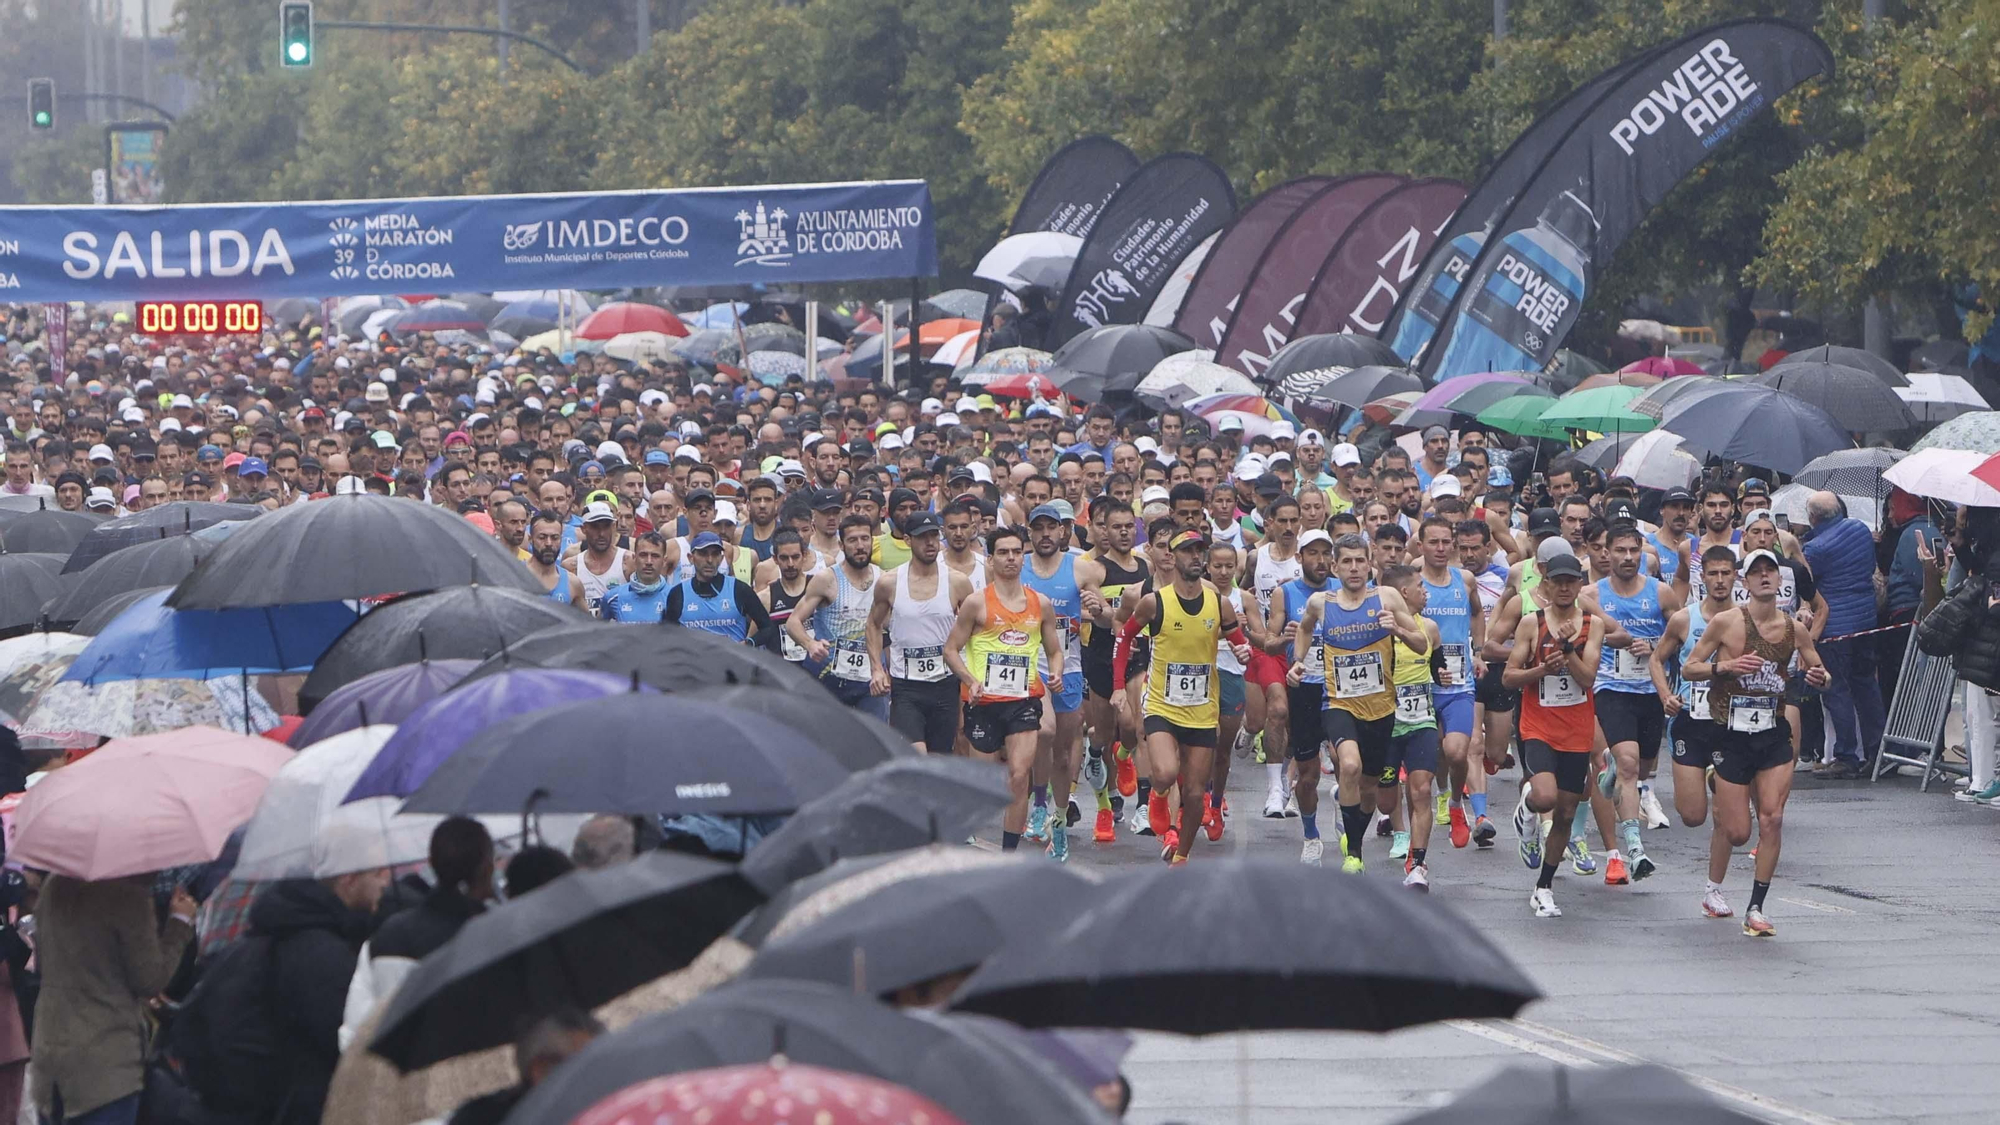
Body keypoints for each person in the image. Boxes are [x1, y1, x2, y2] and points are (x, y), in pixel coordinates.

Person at [1683, 549, 1831, 937]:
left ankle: (1756, 907)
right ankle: (1713, 887)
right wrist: (1726, 667)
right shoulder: (1726, 623)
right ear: (1744, 582)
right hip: (1730, 734)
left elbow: (1818, 668)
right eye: (1756, 572)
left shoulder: (1793, 629)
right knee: (1737, 832)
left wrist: (1820, 679)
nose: (1764, 577)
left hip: (1771, 733)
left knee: (1773, 817)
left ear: (1779, 582)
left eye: (1771, 572)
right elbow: (1689, 667)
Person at [1292, 533, 1429, 872]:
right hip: (1339, 704)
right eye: (1347, 562)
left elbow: (1421, 644)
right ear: (1335, 567)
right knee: (1348, 766)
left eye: (1360, 561)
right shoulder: (1321, 603)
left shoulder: (1387, 597)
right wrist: (1298, 660)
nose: (1354, 568)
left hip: (1381, 709)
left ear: (1370, 564)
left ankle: (1353, 835)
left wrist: (1396, 628)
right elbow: (1305, 629)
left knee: (1369, 790)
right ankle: (1354, 852)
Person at [1122, 529, 1247, 864]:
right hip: (1162, 703)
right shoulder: (1154, 602)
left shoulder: (1218, 604)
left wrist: (1244, 650)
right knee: (1164, 772)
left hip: (1202, 708)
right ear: (1172, 557)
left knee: (1194, 793)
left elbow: (1238, 638)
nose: (1195, 557)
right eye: (1188, 551)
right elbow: (1125, 636)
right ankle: (1159, 795)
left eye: (1199, 551)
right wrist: (1120, 687)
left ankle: (1182, 855)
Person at [31, 874, 196, 1124]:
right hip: (106, 1065)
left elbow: (41, 962)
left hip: (51, 1059)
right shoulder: (128, 895)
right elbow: (150, 980)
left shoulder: (53, 886)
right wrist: (180, 922)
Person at [943, 525, 1066, 851]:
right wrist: (971, 681)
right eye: (1003, 552)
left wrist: (1055, 673)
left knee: (1018, 775)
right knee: (983, 785)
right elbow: (951, 649)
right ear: (991, 559)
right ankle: (963, 837)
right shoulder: (975, 604)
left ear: (1023, 557)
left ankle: (1008, 854)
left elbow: (1055, 650)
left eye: (1016, 552)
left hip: (1024, 700)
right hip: (984, 702)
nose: (1011, 558)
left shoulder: (1040, 604)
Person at [1502, 548, 1606, 919]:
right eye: (1557, 581)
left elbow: (1588, 678)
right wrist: (1541, 671)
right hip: (1538, 725)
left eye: (1571, 581)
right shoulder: (1532, 623)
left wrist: (1567, 649)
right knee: (1545, 796)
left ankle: (1543, 886)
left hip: (1577, 729)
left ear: (1580, 585)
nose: (1564, 587)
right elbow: (1509, 676)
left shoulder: (1593, 624)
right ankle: (1527, 809)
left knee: (1565, 812)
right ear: (1546, 584)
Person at [1651, 544, 1743, 919]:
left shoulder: (1747, 619)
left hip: (1732, 727)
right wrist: (1666, 696)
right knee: (1692, 816)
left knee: (1726, 817)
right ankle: (1705, 775)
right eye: (1713, 574)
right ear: (1702, 577)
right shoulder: (1684, 619)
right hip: (1690, 720)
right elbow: (1658, 660)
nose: (1720, 581)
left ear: (1736, 576)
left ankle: (1713, 890)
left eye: (1726, 574)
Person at [1591, 523, 1682, 882]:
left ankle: (1612, 770)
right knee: (1629, 767)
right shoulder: (1592, 594)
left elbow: (1682, 636)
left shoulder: (1661, 594)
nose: (1628, 558)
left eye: (1633, 551)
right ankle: (1634, 848)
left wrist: (1655, 645)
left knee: (1640, 769)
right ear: (1607, 554)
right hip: (1611, 688)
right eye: (1620, 551)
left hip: (1650, 692)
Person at [1021, 503, 1109, 860]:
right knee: (1042, 732)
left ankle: (1057, 820)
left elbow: (1105, 622)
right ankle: (1038, 803)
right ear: (1030, 533)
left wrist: (1099, 609)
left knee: (1062, 749)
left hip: (1068, 668)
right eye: (1038, 528)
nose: (1045, 534)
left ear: (1063, 531)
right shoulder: (1018, 567)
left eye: (1051, 527)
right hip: (1029, 667)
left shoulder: (1081, 569)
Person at [868, 512, 973, 755]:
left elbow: (974, 631)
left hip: (945, 684)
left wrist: (970, 674)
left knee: (939, 759)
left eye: (933, 536)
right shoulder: (890, 582)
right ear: (907, 540)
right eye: (922, 537)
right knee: (916, 755)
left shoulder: (958, 582)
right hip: (906, 687)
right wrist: (876, 667)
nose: (930, 543)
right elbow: (873, 624)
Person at [1413, 516, 1484, 850]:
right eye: (1434, 542)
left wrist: (1480, 651)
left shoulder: (1465, 579)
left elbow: (1477, 613)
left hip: (1459, 684)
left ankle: (1455, 802)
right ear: (1421, 544)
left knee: (1457, 752)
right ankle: (1437, 801)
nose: (1441, 549)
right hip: (1421, 685)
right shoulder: (1412, 583)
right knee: (1431, 759)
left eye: (1446, 542)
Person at [1802, 490, 1883, 778]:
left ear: (1812, 517)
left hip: (1835, 627)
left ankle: (1846, 755)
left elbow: (1809, 585)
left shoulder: (1814, 549)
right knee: (1866, 686)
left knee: (1836, 690)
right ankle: (1876, 751)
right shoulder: (1860, 530)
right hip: (1866, 620)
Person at [1379, 564, 1443, 891]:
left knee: (1421, 791)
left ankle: (1417, 864)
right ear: (1403, 593)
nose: (1425, 591)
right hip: (1386, 722)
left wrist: (1442, 674)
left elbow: (1437, 666)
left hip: (1421, 721)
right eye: (1420, 586)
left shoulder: (1429, 628)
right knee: (1385, 801)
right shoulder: (1377, 627)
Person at [789, 514, 887, 720]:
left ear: (872, 541)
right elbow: (793, 622)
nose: (860, 545)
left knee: (874, 743)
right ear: (842, 545)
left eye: (865, 538)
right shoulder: (827, 579)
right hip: (829, 676)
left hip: (870, 677)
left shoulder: (884, 581)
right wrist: (810, 644)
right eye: (852, 540)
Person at [446, 1009, 606, 1125]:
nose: (595, 1076)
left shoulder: (602, 1109)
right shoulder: (479, 1119)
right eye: (584, 1063)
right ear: (542, 1069)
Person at [662, 531, 774, 643]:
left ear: (721, 558)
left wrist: (748, 644)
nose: (710, 560)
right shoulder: (678, 594)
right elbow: (668, 636)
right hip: (694, 660)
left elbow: (767, 628)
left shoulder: (739, 589)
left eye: (715, 554)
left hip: (731, 660)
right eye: (703, 553)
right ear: (691, 558)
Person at [567, 501, 630, 616]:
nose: (601, 533)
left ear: (614, 527)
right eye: (595, 527)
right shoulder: (571, 566)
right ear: (583, 529)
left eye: (606, 527)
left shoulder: (629, 562)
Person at [759, 530, 812, 665]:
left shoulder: (818, 588)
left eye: (795, 557)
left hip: (816, 673)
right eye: (784, 558)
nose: (790, 564)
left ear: (804, 555)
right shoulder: (766, 597)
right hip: (782, 676)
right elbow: (754, 638)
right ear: (775, 559)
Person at [598, 531, 672, 622]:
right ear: (634, 558)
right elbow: (598, 632)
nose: (649, 561)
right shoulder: (613, 597)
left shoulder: (674, 596)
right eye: (643, 555)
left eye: (655, 556)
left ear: (664, 561)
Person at [524, 511, 582, 607]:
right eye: (542, 537)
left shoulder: (572, 583)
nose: (549, 543)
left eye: (555, 538)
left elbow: (586, 621)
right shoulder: (514, 576)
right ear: (531, 540)